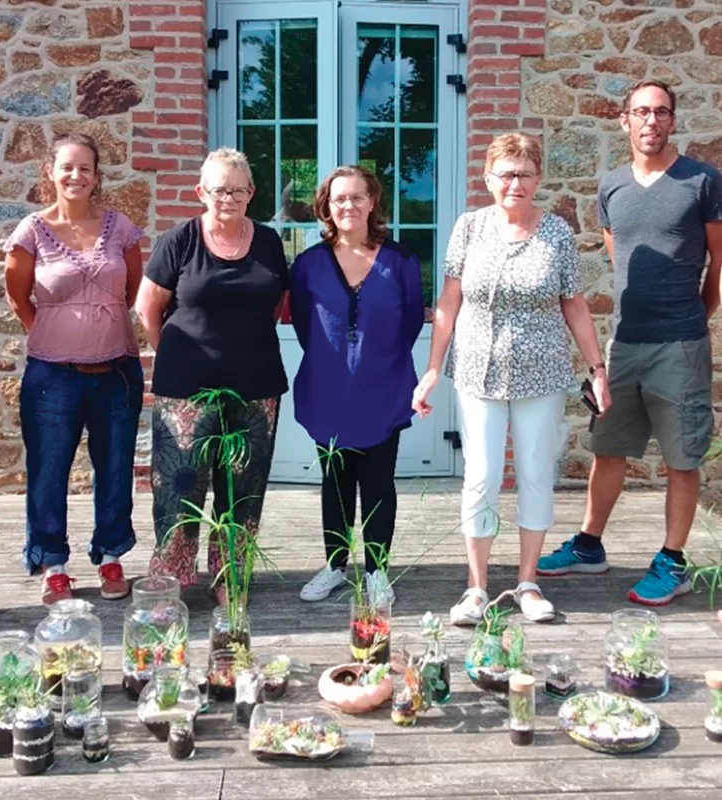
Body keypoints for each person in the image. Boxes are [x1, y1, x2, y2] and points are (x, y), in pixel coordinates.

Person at [413, 133, 611, 625]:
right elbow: (449, 303)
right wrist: (433, 368)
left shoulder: (557, 234)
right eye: (505, 173)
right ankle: (476, 588)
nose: (514, 183)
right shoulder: (469, 228)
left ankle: (527, 582)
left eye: (524, 173)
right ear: (487, 177)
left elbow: (576, 306)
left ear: (538, 178)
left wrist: (598, 370)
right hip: (477, 372)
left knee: (535, 474)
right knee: (480, 477)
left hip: (541, 374)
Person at [538, 81, 722, 605]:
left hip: (680, 343)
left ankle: (673, 561)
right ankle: (590, 546)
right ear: (624, 120)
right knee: (608, 448)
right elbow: (622, 264)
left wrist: (694, 317)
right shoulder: (612, 185)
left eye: (661, 112)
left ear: (672, 121)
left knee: (682, 458)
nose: (651, 121)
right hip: (624, 344)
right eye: (641, 111)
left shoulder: (703, 182)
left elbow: (717, 267)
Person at [135, 148, 288, 601]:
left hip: (256, 385)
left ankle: (230, 577)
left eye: (238, 189)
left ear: (252, 194)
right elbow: (148, 308)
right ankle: (173, 576)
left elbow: (278, 305)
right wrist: (176, 354)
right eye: (220, 189)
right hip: (185, 388)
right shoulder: (179, 240)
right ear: (201, 191)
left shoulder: (269, 243)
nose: (229, 197)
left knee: (242, 487)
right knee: (179, 485)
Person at [4, 134, 144, 605]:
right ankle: (52, 563)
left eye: (85, 168)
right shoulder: (30, 231)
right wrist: (53, 329)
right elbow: (18, 295)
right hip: (52, 377)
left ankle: (109, 555)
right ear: (50, 171)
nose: (76, 176)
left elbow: (129, 291)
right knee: (48, 470)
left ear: (97, 175)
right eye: (67, 167)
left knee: (115, 467)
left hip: (116, 371)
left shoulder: (120, 228)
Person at [291, 166, 424, 607]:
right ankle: (334, 565)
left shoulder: (401, 260)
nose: (347, 206)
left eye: (357, 197)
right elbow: (305, 324)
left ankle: (377, 570)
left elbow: (409, 322)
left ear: (372, 202)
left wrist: (372, 358)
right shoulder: (309, 264)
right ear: (326, 207)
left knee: (379, 483)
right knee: (335, 483)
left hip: (384, 389)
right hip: (328, 391)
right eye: (338, 199)